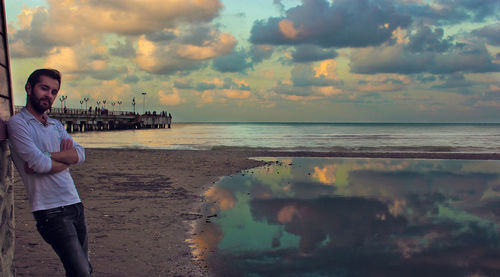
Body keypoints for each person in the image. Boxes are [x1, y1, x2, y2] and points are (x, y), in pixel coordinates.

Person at [7, 69, 92, 277]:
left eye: (54, 92)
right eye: (44, 88)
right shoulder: (18, 124)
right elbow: (38, 164)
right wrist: (64, 159)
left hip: (75, 204)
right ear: (29, 88)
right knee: (81, 273)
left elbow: (80, 154)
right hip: (51, 211)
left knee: (83, 269)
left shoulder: (55, 125)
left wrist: (49, 156)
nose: (49, 95)